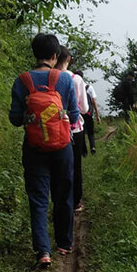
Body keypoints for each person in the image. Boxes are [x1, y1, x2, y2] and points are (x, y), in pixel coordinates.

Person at [9, 34, 81, 268]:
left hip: (33, 147)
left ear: (34, 54)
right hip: (62, 147)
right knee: (63, 195)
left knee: (38, 199)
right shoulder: (64, 80)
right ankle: (64, 243)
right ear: (55, 56)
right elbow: (75, 115)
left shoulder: (22, 81)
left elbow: (15, 119)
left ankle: (43, 251)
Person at [54, 46, 89, 211]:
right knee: (75, 166)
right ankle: (76, 201)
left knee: (58, 166)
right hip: (74, 129)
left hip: (53, 127)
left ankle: (59, 201)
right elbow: (83, 108)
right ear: (67, 59)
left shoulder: (50, 77)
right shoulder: (75, 79)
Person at [76, 70, 101, 156]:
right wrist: (97, 115)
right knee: (91, 131)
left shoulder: (74, 87)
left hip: (79, 113)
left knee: (81, 132)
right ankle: (93, 147)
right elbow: (94, 102)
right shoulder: (89, 87)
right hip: (89, 113)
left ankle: (84, 151)